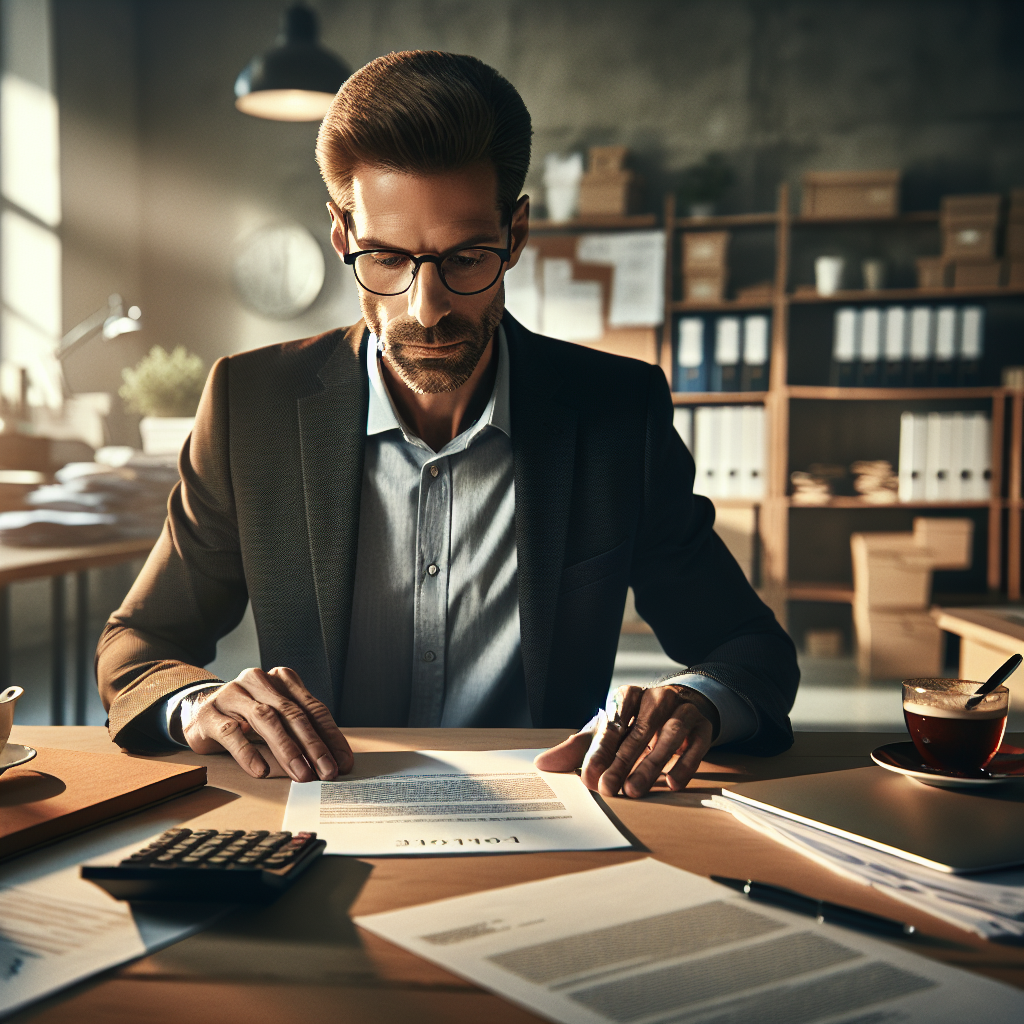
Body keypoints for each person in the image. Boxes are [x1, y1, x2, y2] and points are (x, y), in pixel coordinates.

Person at [97, 51, 799, 799]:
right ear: (340, 233)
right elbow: (139, 647)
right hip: (315, 812)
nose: (425, 307)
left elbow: (748, 648)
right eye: (388, 259)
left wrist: (697, 701)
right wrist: (200, 705)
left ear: (516, 233)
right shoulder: (251, 403)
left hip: (556, 814)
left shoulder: (616, 413)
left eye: (466, 258)